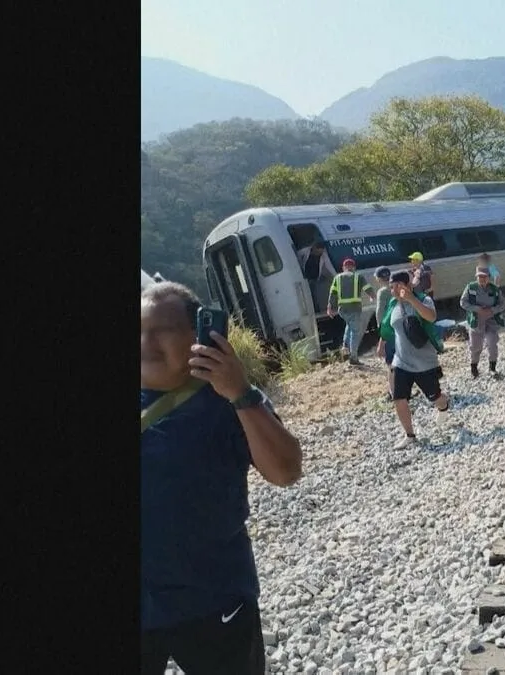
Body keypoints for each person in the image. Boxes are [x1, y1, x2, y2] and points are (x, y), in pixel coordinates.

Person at [141, 282, 303, 675]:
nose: (145, 343)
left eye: (161, 330)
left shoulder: (226, 399)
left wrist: (240, 392)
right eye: (138, 331)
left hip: (212, 601)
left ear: (200, 335)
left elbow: (286, 471)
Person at [380, 270, 450, 450]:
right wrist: (381, 343)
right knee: (398, 398)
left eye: (397, 286)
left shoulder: (423, 300)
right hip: (401, 361)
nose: (394, 290)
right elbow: (388, 326)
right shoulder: (393, 304)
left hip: (424, 362)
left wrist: (411, 299)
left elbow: (431, 317)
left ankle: (443, 405)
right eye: (391, 287)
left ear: (408, 285)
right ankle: (410, 435)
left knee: (435, 397)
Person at [459, 266, 505, 378]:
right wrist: (477, 309)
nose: (482, 279)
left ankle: (492, 368)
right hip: (476, 320)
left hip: (491, 321)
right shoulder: (470, 287)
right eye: (480, 276)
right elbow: (463, 302)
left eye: (484, 277)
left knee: (492, 344)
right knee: (475, 346)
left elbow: (503, 304)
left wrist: (492, 310)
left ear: (489, 277)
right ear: (476, 277)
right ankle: (474, 368)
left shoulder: (494, 289)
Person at [327, 258, 376, 365]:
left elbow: (332, 293)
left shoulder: (337, 277)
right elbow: (367, 288)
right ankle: (353, 357)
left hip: (342, 310)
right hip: (354, 308)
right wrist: (373, 296)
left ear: (343, 268)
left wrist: (330, 307)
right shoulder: (358, 276)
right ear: (354, 267)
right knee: (355, 332)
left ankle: (345, 345)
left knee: (349, 325)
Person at [373, 266, 395, 398]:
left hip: (389, 330)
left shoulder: (382, 292)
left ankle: (393, 392)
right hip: (400, 327)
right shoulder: (397, 287)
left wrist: (381, 333)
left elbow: (380, 313)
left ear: (378, 279)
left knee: (391, 363)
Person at [297, 241, 337, 313]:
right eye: (318, 252)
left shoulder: (323, 255)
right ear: (314, 248)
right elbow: (297, 258)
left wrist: (336, 276)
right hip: (305, 277)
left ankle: (316, 309)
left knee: (314, 295)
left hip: (314, 278)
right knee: (307, 295)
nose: (319, 254)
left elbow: (329, 266)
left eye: (321, 252)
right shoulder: (304, 252)